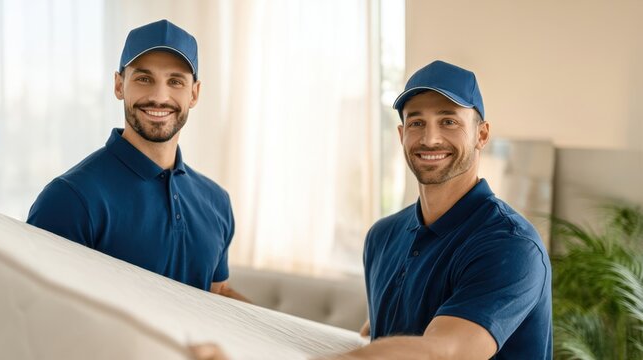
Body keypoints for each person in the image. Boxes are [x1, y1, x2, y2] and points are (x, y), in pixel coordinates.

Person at [191, 60, 552, 359]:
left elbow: (441, 351)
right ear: (401, 136)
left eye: (449, 121)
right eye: (416, 123)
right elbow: (380, 338)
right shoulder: (384, 236)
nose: (430, 138)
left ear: (482, 135)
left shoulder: (510, 246)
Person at [27, 19, 246, 301]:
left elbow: (218, 294)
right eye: (144, 79)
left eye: (175, 81)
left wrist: (292, 340)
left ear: (194, 93)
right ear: (119, 86)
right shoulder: (70, 199)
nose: (159, 96)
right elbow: (39, 313)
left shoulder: (217, 202)